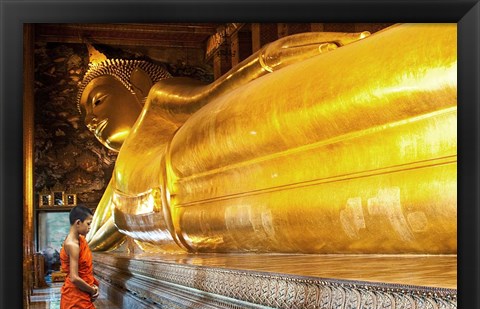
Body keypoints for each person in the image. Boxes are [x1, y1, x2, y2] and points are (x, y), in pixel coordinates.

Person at [80, 23, 457, 255]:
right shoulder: (119, 181)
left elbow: (210, 94)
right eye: (84, 116)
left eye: (98, 101)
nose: (92, 119)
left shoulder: (159, 102)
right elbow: (101, 235)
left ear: (139, 85)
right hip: (199, 215)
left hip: (198, 147)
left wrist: (266, 60)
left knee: (349, 101)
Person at [60, 205, 100, 309]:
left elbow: (85, 271)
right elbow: (75, 278)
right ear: (78, 223)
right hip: (76, 297)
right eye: (88, 224)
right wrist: (92, 290)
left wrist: (92, 286)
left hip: (81, 294)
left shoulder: (80, 240)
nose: (90, 227)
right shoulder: (73, 244)